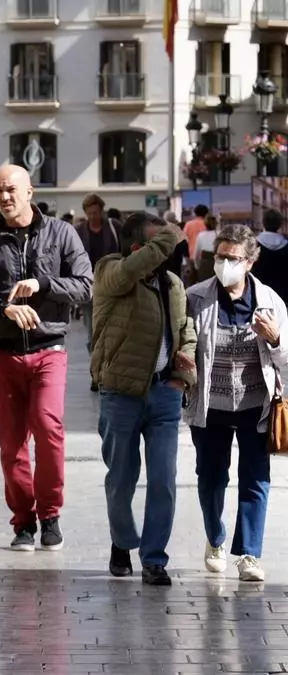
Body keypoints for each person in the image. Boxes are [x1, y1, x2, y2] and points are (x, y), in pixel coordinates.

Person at [0, 164, 93, 552]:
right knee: (11, 442)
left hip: (48, 347)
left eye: (11, 190)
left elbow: (86, 285)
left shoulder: (61, 233)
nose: (4, 197)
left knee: (47, 426)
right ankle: (23, 521)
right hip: (3, 352)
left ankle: (50, 514)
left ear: (29, 192)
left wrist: (44, 284)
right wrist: (3, 308)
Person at [91, 213, 196, 585]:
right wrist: (170, 235)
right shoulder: (110, 270)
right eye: (157, 244)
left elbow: (185, 330)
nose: (165, 252)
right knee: (121, 479)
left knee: (164, 479)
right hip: (120, 393)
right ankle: (122, 542)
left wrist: (184, 375)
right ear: (137, 247)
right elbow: (128, 271)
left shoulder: (171, 283)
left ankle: (154, 559)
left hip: (164, 393)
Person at [186, 224, 288, 583]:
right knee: (210, 479)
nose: (225, 264)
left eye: (233, 258)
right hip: (209, 406)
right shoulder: (196, 298)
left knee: (256, 479)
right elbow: (183, 345)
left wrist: (275, 339)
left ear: (250, 262)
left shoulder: (270, 301)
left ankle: (249, 554)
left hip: (256, 406)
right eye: (220, 257)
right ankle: (215, 538)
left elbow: (286, 359)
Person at [76, 194, 121, 366]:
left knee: (112, 325)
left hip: (112, 283)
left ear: (102, 211)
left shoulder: (114, 227)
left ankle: (109, 361)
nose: (93, 216)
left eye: (95, 213)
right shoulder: (79, 231)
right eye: (89, 213)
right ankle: (96, 365)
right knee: (92, 327)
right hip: (89, 285)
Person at [252, 209, 288, 301]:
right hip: (283, 294)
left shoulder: (254, 244)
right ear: (280, 224)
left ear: (264, 223)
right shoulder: (286, 244)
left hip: (260, 294)